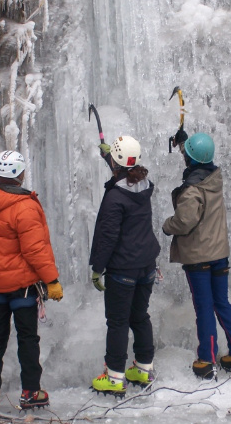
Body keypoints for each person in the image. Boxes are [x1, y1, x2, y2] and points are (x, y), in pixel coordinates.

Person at [0, 150, 64, 411]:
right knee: (27, 338)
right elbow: (35, 250)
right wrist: (51, 280)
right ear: (21, 174)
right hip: (21, 288)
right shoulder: (25, 206)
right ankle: (30, 392)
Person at [162, 132, 231, 379]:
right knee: (221, 303)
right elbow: (196, 156)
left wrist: (167, 225)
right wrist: (184, 142)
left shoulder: (192, 190)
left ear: (190, 159)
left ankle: (207, 359)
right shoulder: (213, 178)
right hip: (219, 254)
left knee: (204, 308)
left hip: (199, 258)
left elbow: (183, 222)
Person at [89, 136, 161, 396]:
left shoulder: (114, 198)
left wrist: (98, 268)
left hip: (123, 269)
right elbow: (124, 172)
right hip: (146, 266)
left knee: (117, 321)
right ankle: (143, 368)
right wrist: (109, 157)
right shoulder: (144, 185)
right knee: (139, 317)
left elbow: (108, 237)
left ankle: (114, 376)